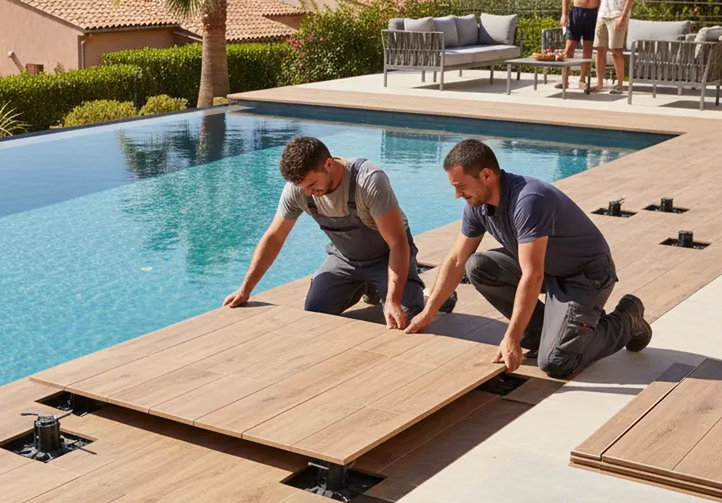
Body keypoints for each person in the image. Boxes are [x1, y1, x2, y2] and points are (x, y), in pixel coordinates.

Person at [406, 139, 652, 378]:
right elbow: (457, 260)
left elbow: (532, 275)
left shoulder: (529, 200)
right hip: (549, 269)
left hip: (585, 275)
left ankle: (627, 318)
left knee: (557, 362)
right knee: (478, 266)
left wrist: (511, 338)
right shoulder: (477, 205)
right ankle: (547, 330)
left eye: (460, 186)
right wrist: (428, 313)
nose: (457, 195)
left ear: (486, 175)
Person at [223, 136, 443, 327]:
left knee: (405, 314)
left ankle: (437, 297)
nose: (308, 192)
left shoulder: (368, 181)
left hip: (387, 256)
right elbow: (274, 238)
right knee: (315, 308)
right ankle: (370, 286)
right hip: (345, 257)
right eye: (303, 188)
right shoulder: (298, 189)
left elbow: (397, 242)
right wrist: (245, 289)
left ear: (328, 164)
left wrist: (394, 300)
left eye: (312, 184)